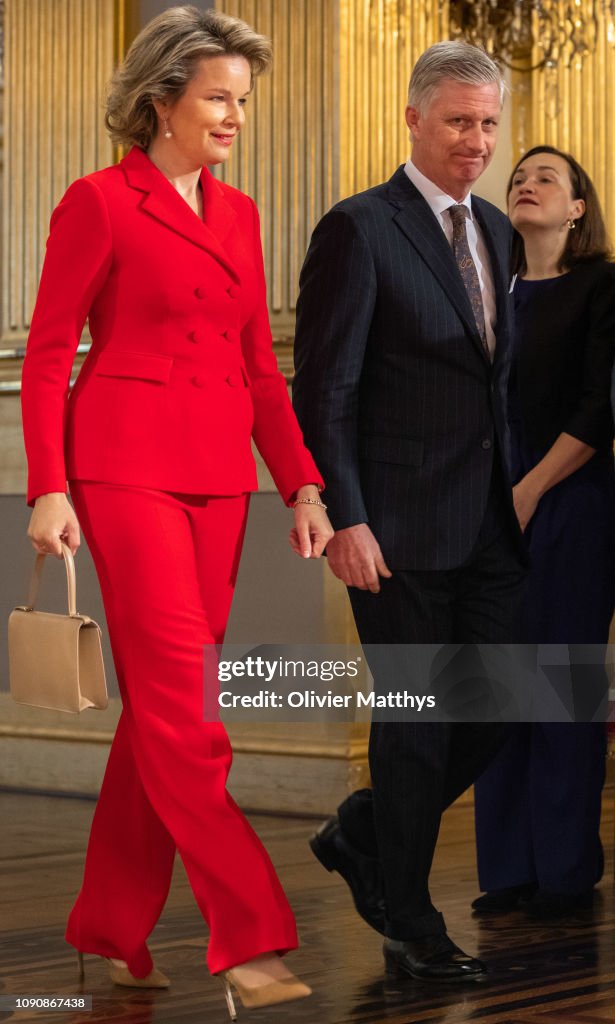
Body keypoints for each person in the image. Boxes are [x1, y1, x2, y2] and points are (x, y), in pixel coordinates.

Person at [21, 6, 332, 1016]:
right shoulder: (98, 202)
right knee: (190, 714)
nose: (236, 115)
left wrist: (302, 483)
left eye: (244, 100)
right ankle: (250, 935)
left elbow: (258, 369)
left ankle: (110, 924)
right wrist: (48, 485)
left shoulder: (239, 218)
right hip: (120, 475)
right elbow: (47, 351)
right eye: (217, 98)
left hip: (218, 486)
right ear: (162, 99)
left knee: (161, 713)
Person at [292, 40, 527, 983]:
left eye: (487, 124)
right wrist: (344, 513)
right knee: (416, 718)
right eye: (459, 121)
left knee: (512, 699)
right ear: (414, 120)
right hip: (390, 526)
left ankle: (361, 831)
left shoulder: (497, 234)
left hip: (485, 522)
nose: (476, 141)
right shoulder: (358, 227)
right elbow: (325, 391)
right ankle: (411, 921)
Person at [472, 147, 615, 919]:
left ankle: (562, 872)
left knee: (561, 688)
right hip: (490, 506)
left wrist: (527, 489)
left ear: (575, 209)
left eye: (545, 179)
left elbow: (599, 408)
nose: (525, 185)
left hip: (571, 499)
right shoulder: (487, 288)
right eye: (518, 177)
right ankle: (506, 870)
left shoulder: (602, 286)